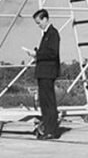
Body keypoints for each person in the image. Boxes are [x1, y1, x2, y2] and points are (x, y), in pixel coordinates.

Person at [29, 9, 60, 140]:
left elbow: (53, 53)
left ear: (45, 19)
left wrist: (37, 54)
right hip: (44, 72)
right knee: (44, 102)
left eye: (39, 22)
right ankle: (47, 128)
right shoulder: (46, 34)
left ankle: (51, 131)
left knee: (48, 103)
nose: (39, 25)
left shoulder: (53, 34)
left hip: (48, 72)